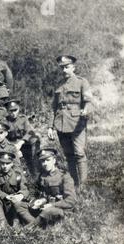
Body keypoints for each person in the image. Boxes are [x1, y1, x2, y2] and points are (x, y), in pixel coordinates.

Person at [47, 55, 92, 189]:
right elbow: (53, 108)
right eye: (62, 68)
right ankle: (74, 183)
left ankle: (83, 186)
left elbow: (89, 101)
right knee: (69, 155)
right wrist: (50, 127)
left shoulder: (82, 82)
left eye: (67, 67)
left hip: (77, 122)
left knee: (79, 153)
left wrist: (85, 110)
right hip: (61, 124)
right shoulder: (58, 85)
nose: (64, 70)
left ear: (73, 67)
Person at [14, 147, 76, 229]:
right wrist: (35, 201)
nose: (45, 163)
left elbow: (71, 201)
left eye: (48, 160)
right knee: (18, 204)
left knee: (48, 211)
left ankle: (28, 228)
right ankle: (38, 225)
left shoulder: (64, 176)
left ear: (54, 160)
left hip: (60, 210)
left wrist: (51, 205)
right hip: (44, 207)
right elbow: (34, 191)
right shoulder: (42, 176)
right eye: (43, 161)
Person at [0, 151, 30, 228]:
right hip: (4, 203)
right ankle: (2, 222)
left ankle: (16, 221)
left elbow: (25, 190)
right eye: (2, 163)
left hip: (15, 204)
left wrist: (20, 195)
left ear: (11, 163)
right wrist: (6, 196)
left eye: (7, 163)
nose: (5, 166)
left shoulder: (18, 175)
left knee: (17, 201)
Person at [4, 99, 39, 178]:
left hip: (24, 143)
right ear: (7, 111)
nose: (13, 113)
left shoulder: (23, 118)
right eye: (11, 111)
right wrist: (14, 148)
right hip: (12, 144)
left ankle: (35, 165)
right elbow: (4, 137)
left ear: (18, 109)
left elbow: (30, 131)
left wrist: (21, 142)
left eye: (15, 110)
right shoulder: (5, 121)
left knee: (35, 138)